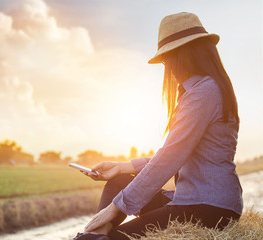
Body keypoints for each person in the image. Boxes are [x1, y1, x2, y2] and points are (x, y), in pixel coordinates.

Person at [72, 12, 242, 240]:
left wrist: (114, 208)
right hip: (194, 200)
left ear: (180, 55)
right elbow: (176, 154)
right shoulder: (204, 89)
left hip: (206, 209)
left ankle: (97, 233)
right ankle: (98, 232)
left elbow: (171, 156)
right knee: (119, 182)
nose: (167, 67)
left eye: (166, 59)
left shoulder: (203, 92)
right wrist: (123, 167)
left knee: (111, 236)